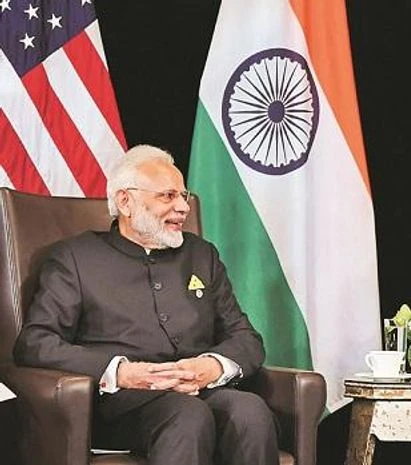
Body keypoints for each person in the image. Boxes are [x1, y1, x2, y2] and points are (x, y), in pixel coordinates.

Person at [13, 145, 278, 465]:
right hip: (120, 405)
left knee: (250, 411)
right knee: (186, 415)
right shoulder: (75, 258)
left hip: (199, 391)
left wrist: (212, 366)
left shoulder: (201, 255)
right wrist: (121, 372)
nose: (183, 207)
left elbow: (245, 337)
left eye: (183, 195)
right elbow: (35, 342)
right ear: (126, 201)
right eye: (168, 196)